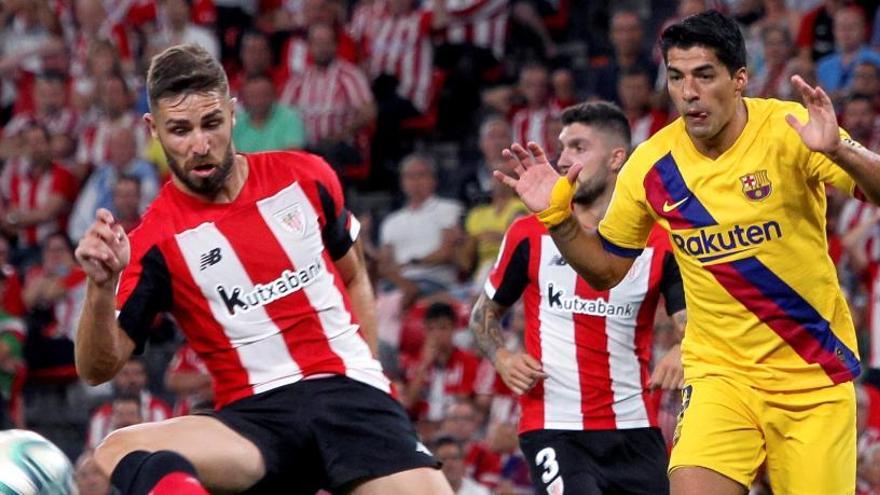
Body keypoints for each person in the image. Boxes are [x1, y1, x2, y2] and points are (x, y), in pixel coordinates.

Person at [495, 10, 880, 495]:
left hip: (812, 376)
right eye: (676, 77)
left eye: (704, 75)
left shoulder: (790, 128)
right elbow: (605, 270)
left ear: (739, 79)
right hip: (721, 376)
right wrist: (559, 218)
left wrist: (842, 151)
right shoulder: (652, 165)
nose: (689, 92)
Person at [73, 43, 450, 495]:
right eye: (180, 130)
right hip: (255, 425)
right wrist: (100, 288)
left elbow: (353, 274)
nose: (199, 144)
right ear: (153, 129)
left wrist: (366, 374)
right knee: (117, 449)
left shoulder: (306, 176)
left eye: (211, 123)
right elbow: (97, 368)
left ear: (232, 113)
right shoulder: (153, 241)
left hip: (350, 398)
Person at [471, 101, 685, 495]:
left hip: (636, 430)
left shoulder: (659, 240)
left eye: (579, 148)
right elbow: (483, 314)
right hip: (555, 428)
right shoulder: (528, 233)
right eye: (563, 147)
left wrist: (683, 349)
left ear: (617, 158)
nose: (564, 160)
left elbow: (694, 323)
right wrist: (502, 356)